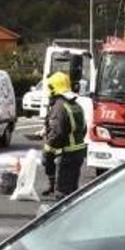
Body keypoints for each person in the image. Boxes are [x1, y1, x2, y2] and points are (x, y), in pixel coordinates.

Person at [42, 70, 87, 198]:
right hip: (78, 152)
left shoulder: (59, 107)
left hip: (67, 154)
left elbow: (57, 133)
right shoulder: (75, 105)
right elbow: (83, 128)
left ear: (53, 89)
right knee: (72, 192)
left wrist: (48, 149)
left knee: (63, 194)